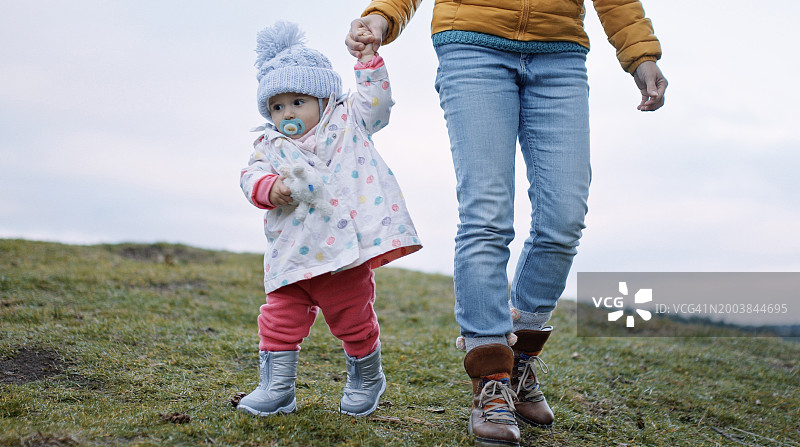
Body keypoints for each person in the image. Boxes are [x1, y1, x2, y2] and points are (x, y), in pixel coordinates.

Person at [346, 1, 667, 445]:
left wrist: (641, 53)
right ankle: (491, 378)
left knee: (564, 218)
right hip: (472, 46)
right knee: (487, 215)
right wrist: (383, 16)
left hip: (560, 54)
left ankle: (519, 359)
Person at [238, 20, 421, 418]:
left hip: (344, 255)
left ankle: (366, 377)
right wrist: (272, 187)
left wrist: (368, 62)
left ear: (324, 99)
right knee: (278, 320)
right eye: (277, 106)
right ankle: (277, 387)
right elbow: (249, 177)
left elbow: (378, 106)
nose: (287, 112)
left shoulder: (348, 120)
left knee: (353, 321)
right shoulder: (269, 145)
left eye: (297, 102)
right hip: (292, 254)